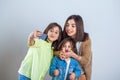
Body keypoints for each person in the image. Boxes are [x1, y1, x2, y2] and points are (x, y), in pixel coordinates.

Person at [59, 15, 92, 80]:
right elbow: (53, 49)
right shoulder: (63, 36)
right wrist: (60, 53)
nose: (69, 28)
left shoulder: (86, 40)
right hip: (64, 72)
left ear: (79, 27)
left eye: (73, 26)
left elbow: (86, 61)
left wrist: (73, 55)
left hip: (80, 74)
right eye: (67, 25)